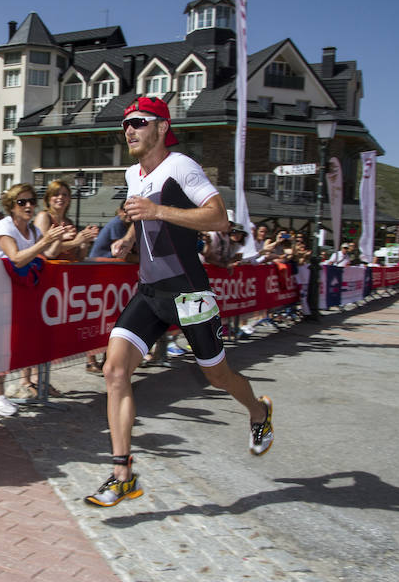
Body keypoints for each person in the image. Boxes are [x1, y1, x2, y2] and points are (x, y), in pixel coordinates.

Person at [85, 97, 273, 508]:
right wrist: (129, 238)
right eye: (125, 125)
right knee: (115, 372)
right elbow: (142, 215)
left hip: (189, 293)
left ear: (161, 127)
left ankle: (258, 412)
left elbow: (218, 217)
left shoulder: (181, 166)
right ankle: (122, 474)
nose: (129, 130)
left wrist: (158, 210)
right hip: (150, 292)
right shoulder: (133, 173)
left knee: (218, 376)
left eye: (138, 122)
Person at [0, 182, 67, 411]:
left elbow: (47, 253)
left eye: (31, 201)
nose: (28, 205)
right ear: (11, 206)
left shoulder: (33, 230)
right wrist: (45, 241)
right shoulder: (4, 226)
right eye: (22, 202)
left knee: (9, 342)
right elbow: (17, 258)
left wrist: (58, 236)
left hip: (15, 293)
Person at [34, 180, 101, 376]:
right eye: (56, 194)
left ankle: (44, 382)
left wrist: (85, 241)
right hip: (45, 282)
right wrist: (75, 240)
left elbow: (78, 257)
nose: (61, 198)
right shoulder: (43, 217)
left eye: (65, 194)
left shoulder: (69, 222)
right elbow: (46, 251)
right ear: (48, 198)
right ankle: (35, 381)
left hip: (65, 286)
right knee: (42, 334)